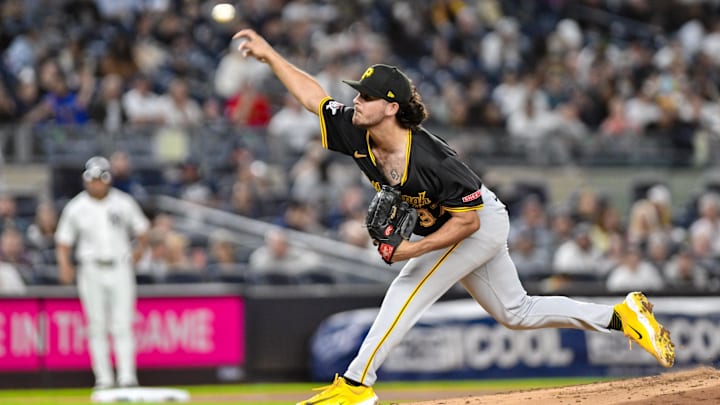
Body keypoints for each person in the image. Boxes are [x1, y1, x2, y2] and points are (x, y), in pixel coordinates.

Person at [233, 29, 676, 405]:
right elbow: (316, 98)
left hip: (476, 221)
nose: (357, 100)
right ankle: (621, 316)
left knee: (409, 284)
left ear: (391, 107)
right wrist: (270, 54)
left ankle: (355, 386)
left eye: (366, 96)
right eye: (358, 93)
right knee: (516, 312)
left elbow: (470, 223)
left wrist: (414, 249)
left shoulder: (433, 160)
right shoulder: (355, 127)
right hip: (457, 223)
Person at [55, 156, 150, 390]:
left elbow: (143, 230)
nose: (96, 184)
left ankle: (127, 377)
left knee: (123, 323)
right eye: (92, 180)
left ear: (107, 180)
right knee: (96, 325)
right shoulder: (77, 206)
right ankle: (104, 378)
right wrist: (65, 266)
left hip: (119, 266)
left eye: (100, 179)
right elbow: (63, 241)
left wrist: (137, 254)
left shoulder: (123, 202)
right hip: (90, 268)